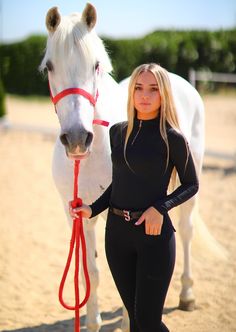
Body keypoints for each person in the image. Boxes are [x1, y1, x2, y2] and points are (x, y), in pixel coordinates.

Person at [69, 63, 199, 332]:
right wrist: (91, 209)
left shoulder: (172, 138)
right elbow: (119, 182)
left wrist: (160, 208)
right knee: (135, 319)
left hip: (154, 238)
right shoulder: (118, 132)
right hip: (116, 237)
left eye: (153, 89)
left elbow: (191, 184)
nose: (145, 95)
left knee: (149, 322)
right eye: (139, 88)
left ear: (163, 94)